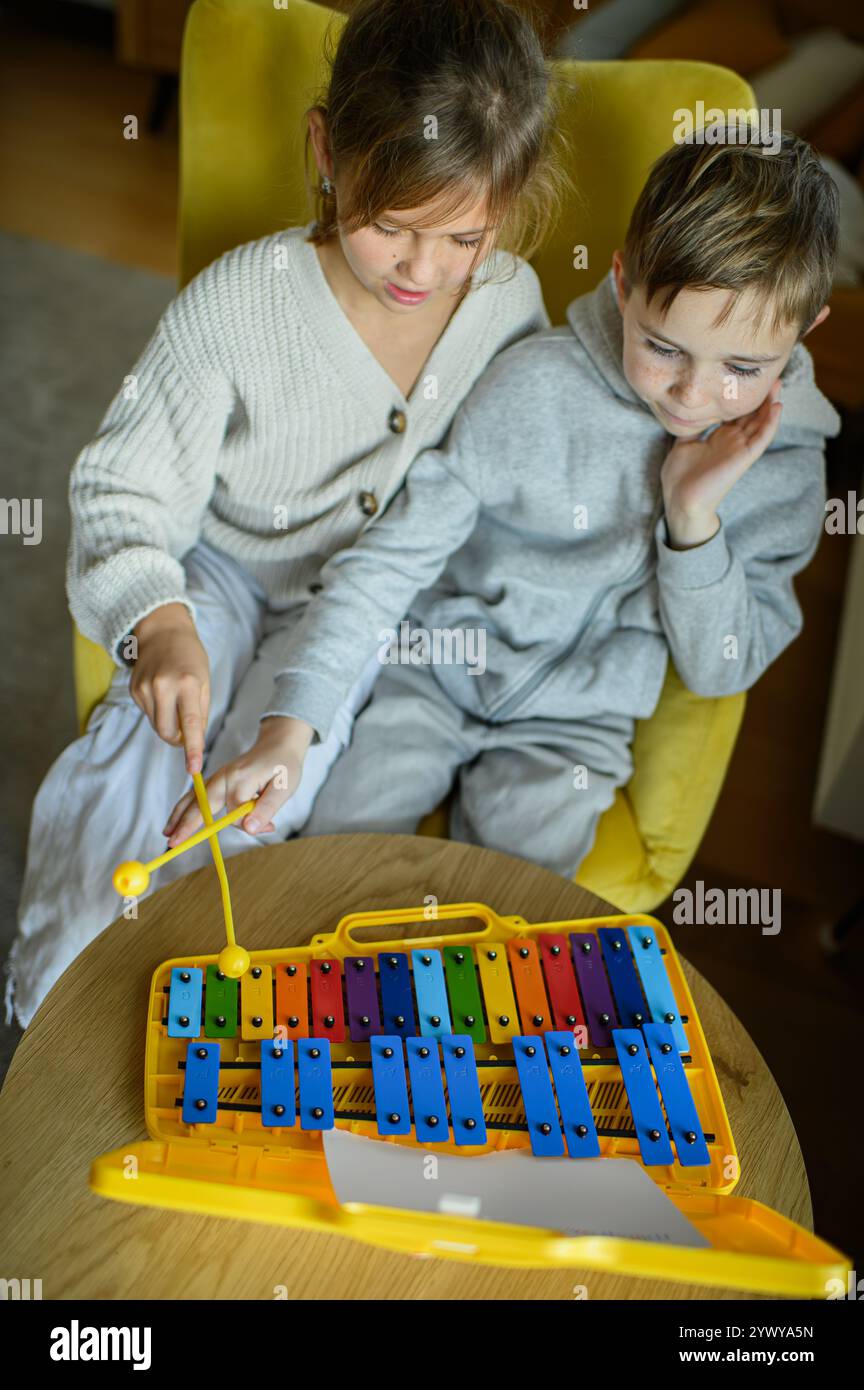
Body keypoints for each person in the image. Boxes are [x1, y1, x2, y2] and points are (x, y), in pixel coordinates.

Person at [7, 0, 566, 1028]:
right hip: (219, 565)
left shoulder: (510, 309)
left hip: (366, 606)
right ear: (325, 149)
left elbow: (497, 492)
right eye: (388, 224)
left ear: (509, 208)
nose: (420, 269)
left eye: (462, 237)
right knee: (139, 761)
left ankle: (188, 1028)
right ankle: (45, 1022)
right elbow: (121, 486)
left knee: (266, 796)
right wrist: (160, 622)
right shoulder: (233, 307)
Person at [167, 129, 840, 882]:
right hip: (430, 673)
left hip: (572, 735)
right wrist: (294, 726)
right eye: (663, 347)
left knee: (512, 925)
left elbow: (722, 668)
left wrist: (693, 524)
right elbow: (389, 561)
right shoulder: (530, 382)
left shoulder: (785, 467)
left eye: (742, 368)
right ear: (622, 283)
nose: (692, 395)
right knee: (340, 875)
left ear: (807, 329)